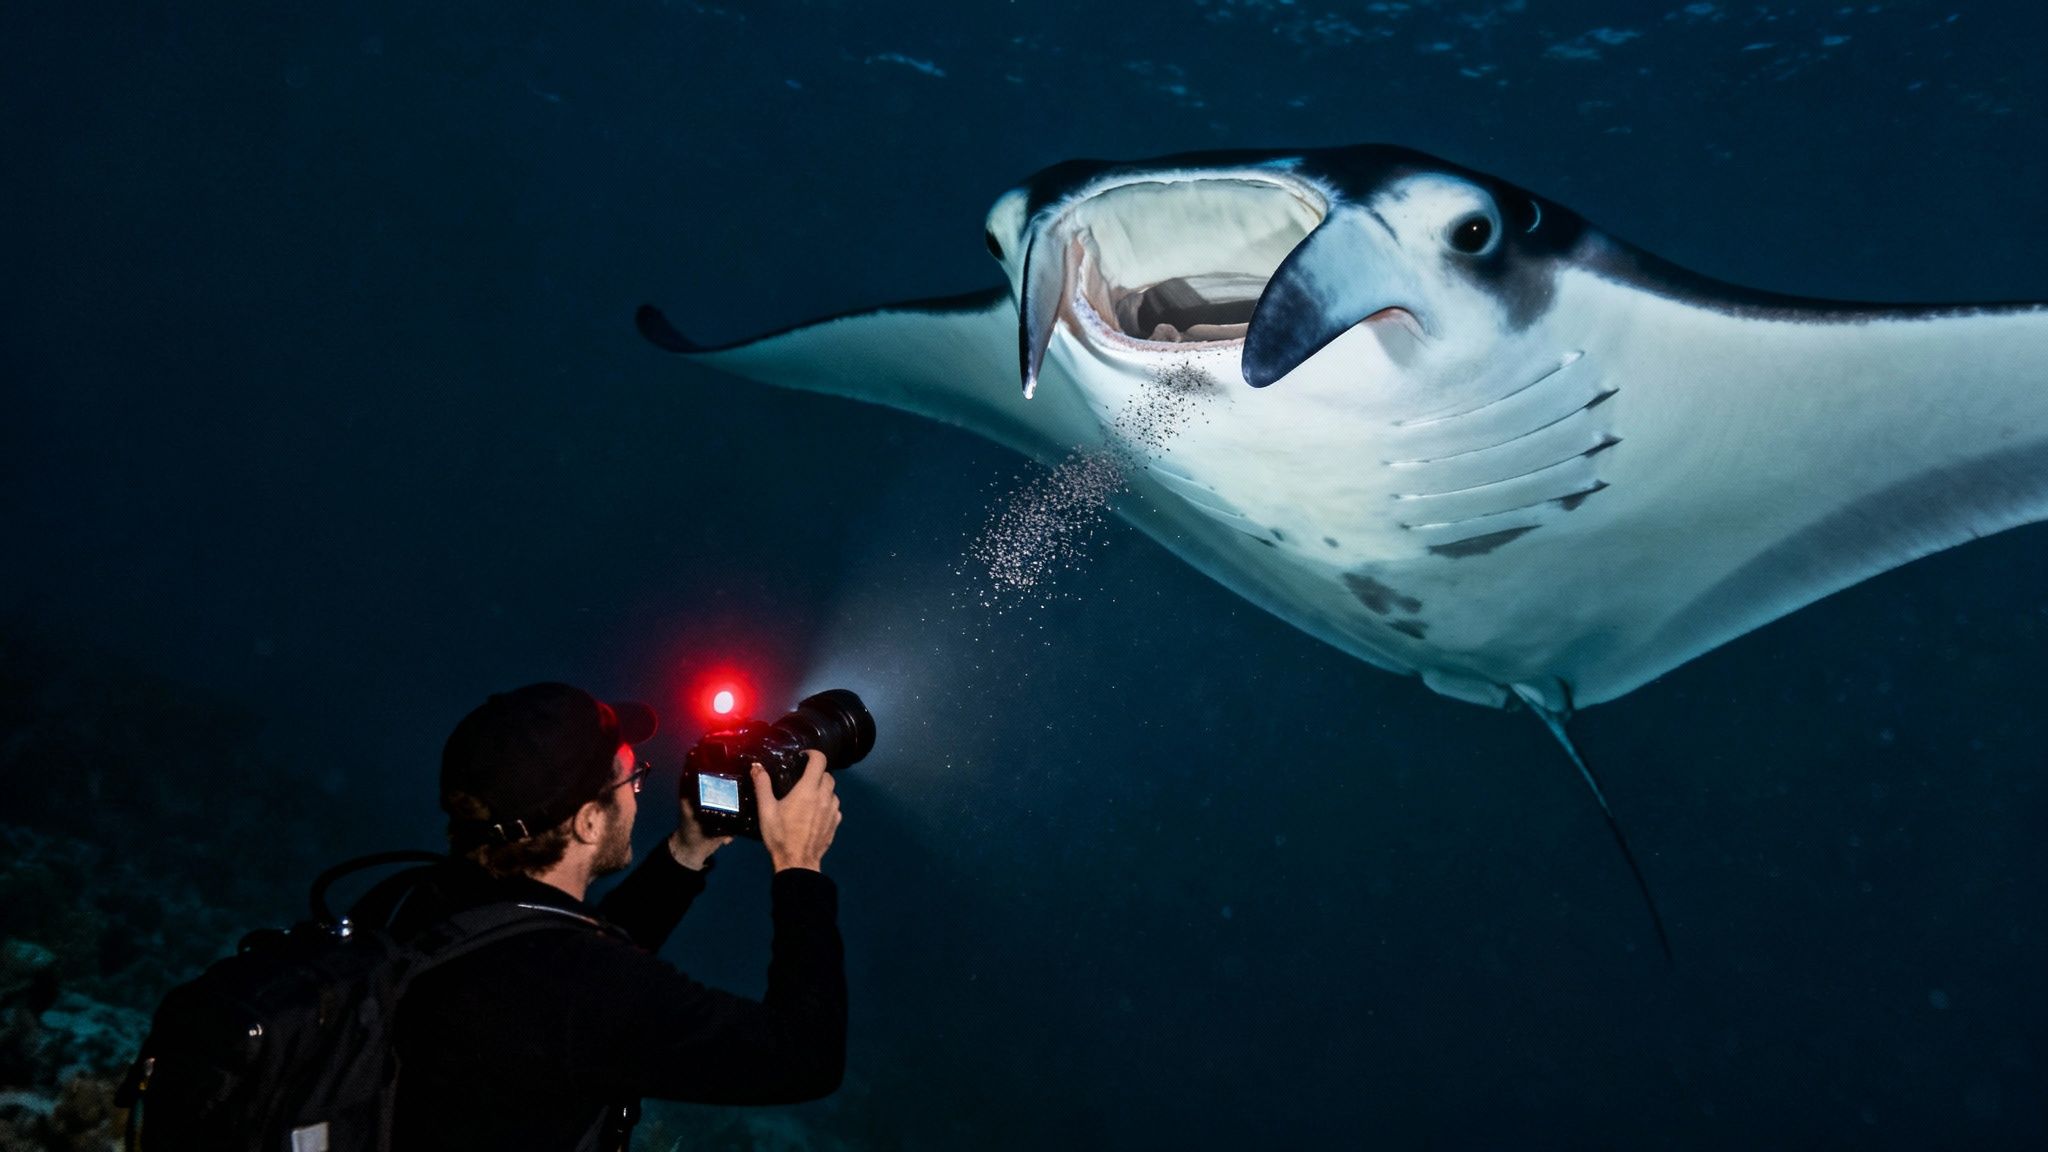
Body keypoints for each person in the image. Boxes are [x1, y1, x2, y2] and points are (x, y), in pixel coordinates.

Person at [388, 682, 846, 1150]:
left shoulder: (417, 906)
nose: (638, 796)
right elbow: (806, 1057)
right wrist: (799, 865)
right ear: (588, 822)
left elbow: (567, 954)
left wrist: (686, 851)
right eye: (633, 779)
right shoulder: (578, 993)